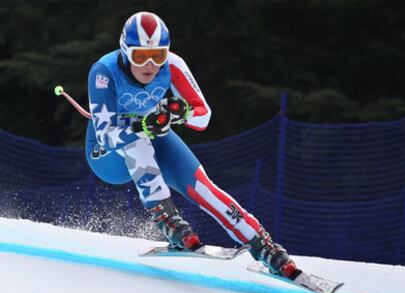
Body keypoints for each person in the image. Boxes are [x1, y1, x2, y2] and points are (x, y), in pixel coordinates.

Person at [86, 11, 297, 278]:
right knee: (138, 142)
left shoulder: (172, 65)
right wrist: (142, 126)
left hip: (152, 133)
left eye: (158, 55)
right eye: (141, 56)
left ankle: (264, 246)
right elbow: (105, 134)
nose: (150, 65)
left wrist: (180, 111)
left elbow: (203, 117)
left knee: (201, 186)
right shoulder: (104, 72)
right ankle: (167, 219)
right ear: (126, 51)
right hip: (108, 155)